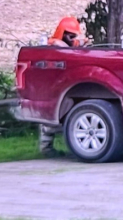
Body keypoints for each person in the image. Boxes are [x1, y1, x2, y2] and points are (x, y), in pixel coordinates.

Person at [39, 16, 89, 158]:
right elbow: (63, 48)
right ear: (63, 33)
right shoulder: (54, 44)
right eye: (71, 35)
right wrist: (77, 45)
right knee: (49, 121)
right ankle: (46, 149)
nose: (73, 38)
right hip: (50, 86)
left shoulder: (65, 45)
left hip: (61, 86)